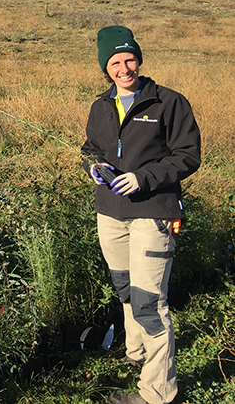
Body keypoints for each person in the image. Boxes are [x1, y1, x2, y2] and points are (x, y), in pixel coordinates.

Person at [81, 26, 201, 404]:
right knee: (126, 289)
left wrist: (142, 178)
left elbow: (188, 155)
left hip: (154, 211)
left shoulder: (168, 102)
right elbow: (90, 149)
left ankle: (158, 394)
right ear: (106, 67)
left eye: (129, 59)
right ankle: (138, 355)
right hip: (111, 213)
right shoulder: (100, 106)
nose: (123, 68)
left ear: (139, 58)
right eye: (115, 62)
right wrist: (92, 167)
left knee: (150, 301)